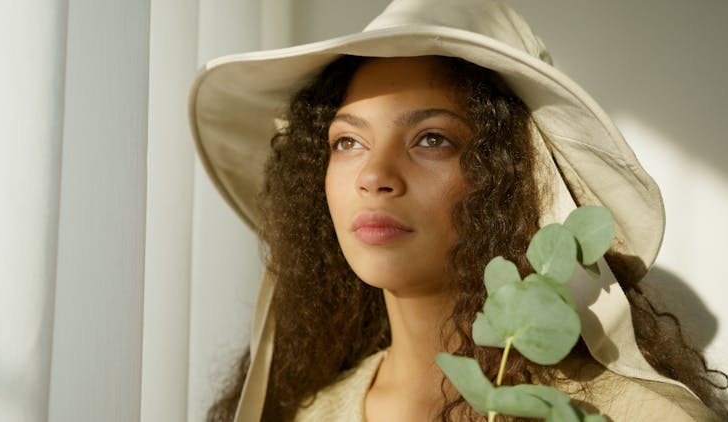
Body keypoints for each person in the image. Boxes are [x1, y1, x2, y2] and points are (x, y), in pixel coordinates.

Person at [188, 0, 727, 420]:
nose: (374, 176)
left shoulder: (626, 415)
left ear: (515, 178)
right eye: (348, 142)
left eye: (431, 140)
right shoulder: (309, 416)